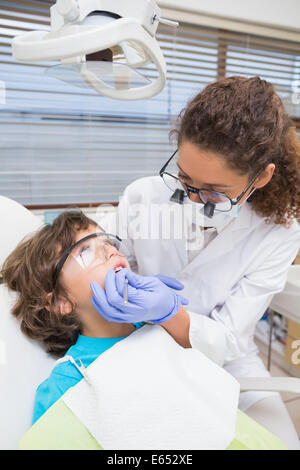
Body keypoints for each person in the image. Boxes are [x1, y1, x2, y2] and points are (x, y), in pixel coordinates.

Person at [91, 76, 300, 449]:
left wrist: (170, 313)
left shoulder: (280, 232)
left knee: (278, 442)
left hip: (224, 357)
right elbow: (106, 258)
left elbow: (231, 336)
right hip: (134, 340)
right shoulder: (142, 195)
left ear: (262, 176)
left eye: (215, 192)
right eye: (184, 180)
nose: (191, 199)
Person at [1, 210, 187, 424]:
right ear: (61, 302)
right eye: (86, 252)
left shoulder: (160, 327)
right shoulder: (67, 382)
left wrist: (173, 315)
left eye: (108, 242)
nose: (110, 251)